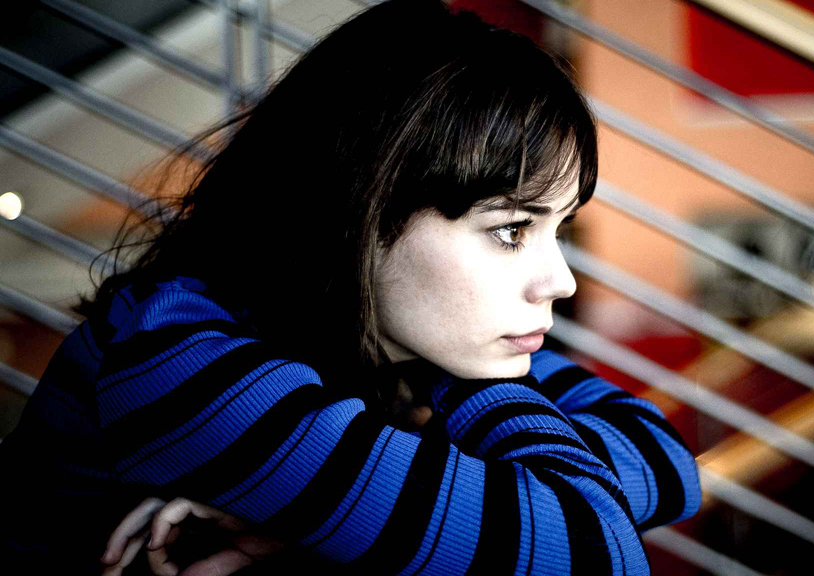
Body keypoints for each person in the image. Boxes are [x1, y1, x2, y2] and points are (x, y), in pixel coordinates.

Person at [0, 0, 701, 574]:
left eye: (560, 229)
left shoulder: (419, 337)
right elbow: (594, 549)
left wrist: (305, 525)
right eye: (511, 230)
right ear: (357, 216)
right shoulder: (180, 358)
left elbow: (667, 462)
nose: (561, 281)